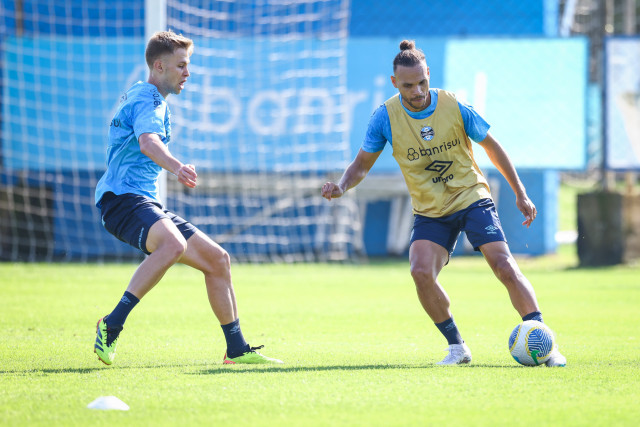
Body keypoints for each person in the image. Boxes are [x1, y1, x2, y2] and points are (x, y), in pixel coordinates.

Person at [321, 40, 566, 367]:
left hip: (471, 197)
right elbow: (362, 164)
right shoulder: (385, 117)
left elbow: (493, 147)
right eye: (409, 85)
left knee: (504, 266)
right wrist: (341, 186)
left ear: (428, 75)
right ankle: (457, 347)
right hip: (431, 211)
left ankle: (546, 345)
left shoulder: (453, 105)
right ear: (395, 83)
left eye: (422, 82)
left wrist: (520, 193)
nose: (418, 90)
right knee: (420, 271)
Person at [93, 30, 282, 366]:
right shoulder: (149, 99)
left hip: (141, 200)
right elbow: (148, 143)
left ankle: (236, 348)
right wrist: (178, 167)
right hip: (121, 198)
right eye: (181, 65)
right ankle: (112, 323)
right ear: (159, 65)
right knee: (173, 245)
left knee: (218, 260)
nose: (187, 73)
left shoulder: (151, 99)